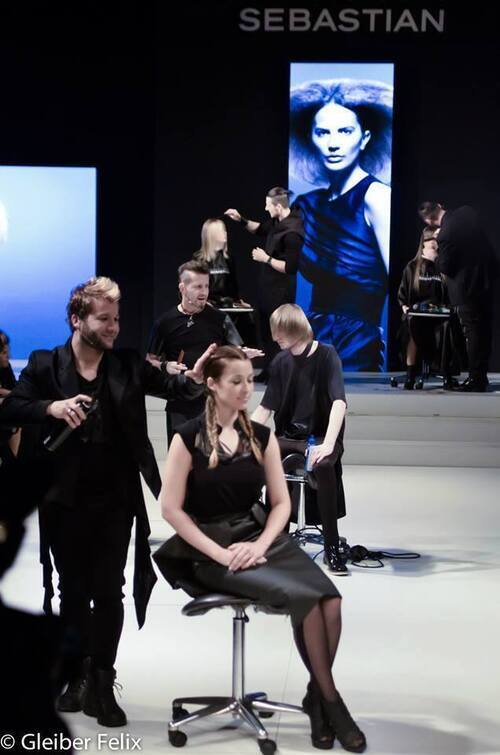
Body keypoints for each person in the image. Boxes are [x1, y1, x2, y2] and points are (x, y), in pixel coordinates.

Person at [0, 276, 212, 728]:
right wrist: (52, 408)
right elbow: (12, 407)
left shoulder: (128, 365)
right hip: (63, 499)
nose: (114, 327)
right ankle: (76, 675)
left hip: (116, 499)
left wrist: (194, 380)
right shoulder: (44, 364)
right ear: (77, 319)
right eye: (104, 319)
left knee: (109, 590)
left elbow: (174, 388)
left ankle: (102, 679)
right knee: (72, 591)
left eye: (116, 319)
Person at [153, 345, 366, 752]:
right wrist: (222, 555)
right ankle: (333, 704)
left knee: (331, 600)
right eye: (236, 381)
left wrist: (263, 543)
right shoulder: (187, 437)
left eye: (250, 380)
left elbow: (282, 503)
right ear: (212, 384)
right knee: (306, 601)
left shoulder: (260, 436)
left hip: (261, 538)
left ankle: (316, 695)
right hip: (211, 548)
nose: (246, 389)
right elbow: (170, 509)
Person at [290, 79, 393, 371]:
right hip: (314, 332)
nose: (333, 143)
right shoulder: (309, 203)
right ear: (310, 138)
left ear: (365, 138)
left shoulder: (376, 196)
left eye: (345, 131)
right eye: (323, 132)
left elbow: (397, 277)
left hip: (356, 338)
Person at [251, 304, 349, 574]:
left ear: (296, 328)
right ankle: (275, 542)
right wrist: (242, 435)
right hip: (288, 437)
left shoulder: (327, 356)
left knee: (324, 465)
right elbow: (265, 408)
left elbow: (339, 403)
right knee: (264, 457)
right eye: (274, 331)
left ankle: (331, 547)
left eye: (280, 331)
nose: (275, 338)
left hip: (320, 436)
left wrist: (328, 444)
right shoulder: (281, 362)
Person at [147, 260, 262, 438]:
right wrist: (165, 366)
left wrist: (240, 354)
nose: (204, 292)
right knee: (181, 453)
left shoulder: (220, 319)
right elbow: (150, 360)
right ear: (182, 288)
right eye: (198, 286)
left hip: (214, 402)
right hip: (180, 403)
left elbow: (235, 348)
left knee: (214, 453)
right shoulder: (165, 323)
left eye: (206, 286)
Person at [225, 186, 304, 378]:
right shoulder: (277, 222)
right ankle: (269, 369)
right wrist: (241, 219)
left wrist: (266, 258)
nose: (265, 208)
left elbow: (290, 267)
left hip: (281, 290)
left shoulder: (293, 232)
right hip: (268, 287)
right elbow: (260, 228)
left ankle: (280, 371)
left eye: (268, 205)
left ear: (278, 206)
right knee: (266, 330)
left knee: (279, 330)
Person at [418, 201, 497, 391]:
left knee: (473, 333)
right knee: (484, 331)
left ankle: (476, 379)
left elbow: (446, 267)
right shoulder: (468, 212)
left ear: (429, 221)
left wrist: (433, 258)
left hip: (466, 290)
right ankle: (481, 375)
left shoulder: (445, 234)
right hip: (487, 281)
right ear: (439, 205)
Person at [397, 232, 455, 389]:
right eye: (432, 240)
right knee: (412, 326)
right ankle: (410, 375)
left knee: (447, 327)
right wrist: (404, 307)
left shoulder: (442, 268)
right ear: (424, 242)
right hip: (417, 315)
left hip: (438, 316)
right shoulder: (412, 267)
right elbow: (403, 294)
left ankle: (446, 373)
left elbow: (448, 296)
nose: (436, 243)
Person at [193, 218, 250, 308]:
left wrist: (238, 302)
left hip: (227, 304)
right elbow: (195, 287)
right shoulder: (199, 259)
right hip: (207, 306)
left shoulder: (228, 258)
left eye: (225, 231)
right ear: (212, 235)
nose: (225, 233)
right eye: (221, 231)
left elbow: (233, 286)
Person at [0, 330, 21, 456]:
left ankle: (14, 460)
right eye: (4, 353)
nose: (9, 356)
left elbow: (15, 390)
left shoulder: (6, 367)